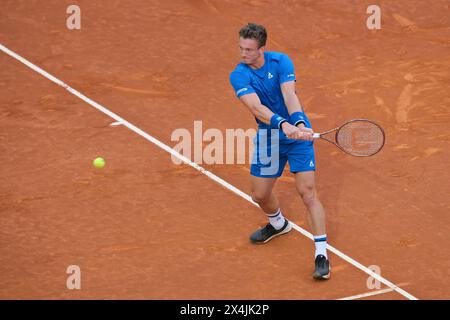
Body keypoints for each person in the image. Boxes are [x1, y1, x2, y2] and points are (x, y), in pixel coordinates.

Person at [229, 23, 330, 280]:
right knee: (260, 194)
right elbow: (256, 108)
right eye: (241, 48)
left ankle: (321, 253)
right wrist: (282, 125)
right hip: (270, 136)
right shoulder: (238, 75)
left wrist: (297, 123)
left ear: (262, 48)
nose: (243, 54)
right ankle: (278, 224)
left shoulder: (281, 61)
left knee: (307, 192)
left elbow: (289, 95)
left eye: (249, 49)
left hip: (297, 134)